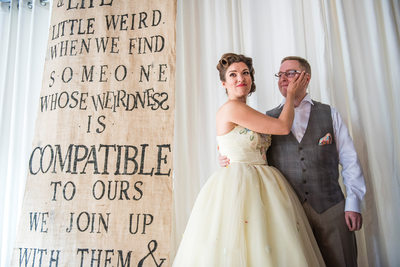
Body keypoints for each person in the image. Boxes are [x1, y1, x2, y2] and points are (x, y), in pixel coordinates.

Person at [173, 53, 325, 267]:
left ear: (252, 80)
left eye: (245, 73)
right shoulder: (232, 108)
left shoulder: (249, 111)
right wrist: (290, 95)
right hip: (240, 183)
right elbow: (282, 127)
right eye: (233, 75)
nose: (240, 78)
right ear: (224, 83)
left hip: (261, 178)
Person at [219, 56, 366, 267]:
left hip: (331, 208)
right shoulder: (268, 118)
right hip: (288, 213)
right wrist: (228, 156)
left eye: (291, 73)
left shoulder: (329, 113)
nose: (284, 79)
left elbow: (350, 160)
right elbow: (253, 152)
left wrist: (353, 202)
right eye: (280, 75)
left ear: (306, 77)